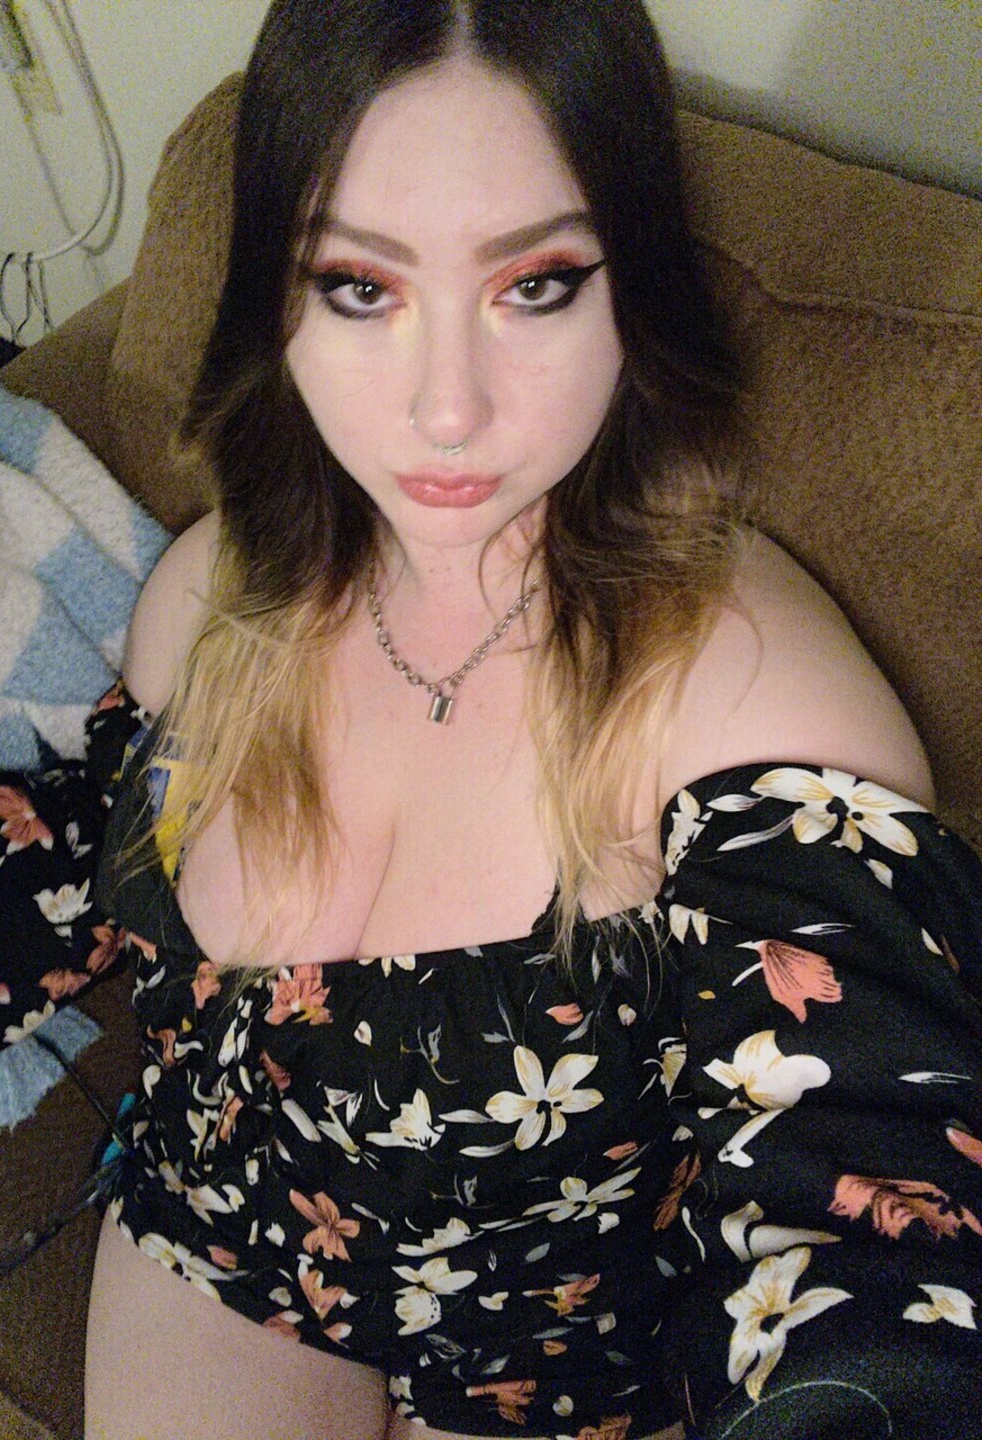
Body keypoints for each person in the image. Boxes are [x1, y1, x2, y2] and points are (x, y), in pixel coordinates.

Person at [83, 3, 982, 1437]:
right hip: (222, 1223)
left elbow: (887, 1229)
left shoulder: (756, 699)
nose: (447, 410)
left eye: (536, 285)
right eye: (360, 286)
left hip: (557, 1362)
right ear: (276, 300)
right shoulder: (206, 597)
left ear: (635, 288)